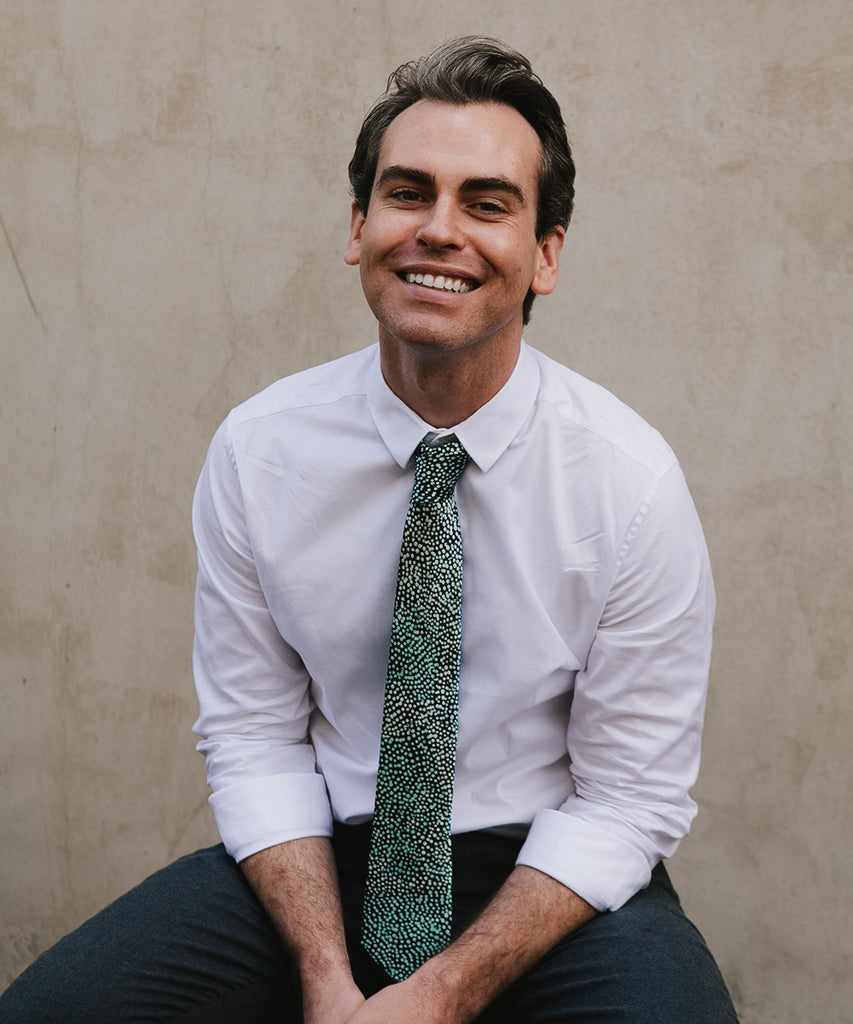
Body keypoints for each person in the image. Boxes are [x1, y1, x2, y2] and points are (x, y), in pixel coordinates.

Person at [0, 36, 739, 1024]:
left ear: (546, 254)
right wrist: (324, 977)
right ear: (358, 226)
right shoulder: (261, 451)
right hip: (322, 857)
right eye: (407, 193)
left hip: (545, 871)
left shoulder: (628, 480)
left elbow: (625, 801)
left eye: (487, 202)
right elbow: (255, 738)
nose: (440, 230)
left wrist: (434, 996)